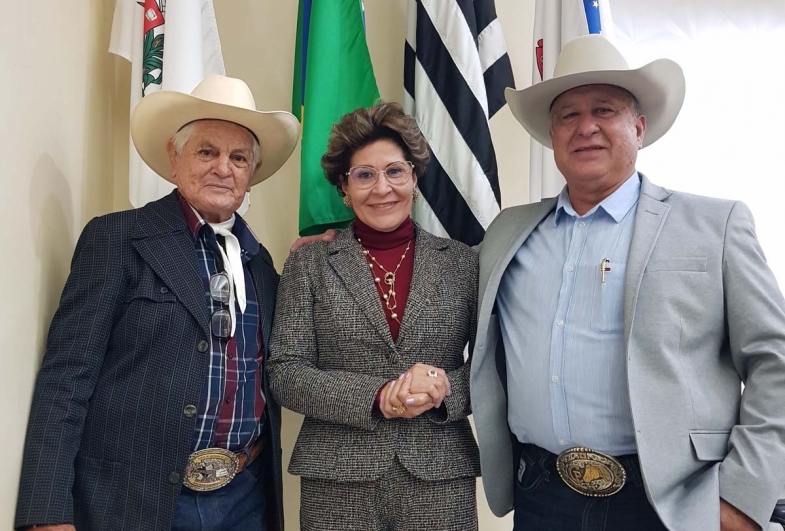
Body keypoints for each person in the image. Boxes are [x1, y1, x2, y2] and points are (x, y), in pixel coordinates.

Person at [470, 35, 785, 531]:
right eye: (568, 115)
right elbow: (438, 279)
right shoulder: (508, 232)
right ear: (552, 135)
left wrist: (743, 495)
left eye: (604, 110)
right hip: (541, 497)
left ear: (638, 128)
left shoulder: (715, 225)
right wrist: (346, 241)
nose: (586, 127)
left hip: (674, 503)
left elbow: (776, 362)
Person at [14, 75, 299, 531]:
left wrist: (327, 253)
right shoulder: (118, 239)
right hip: (136, 499)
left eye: (238, 157)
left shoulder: (261, 266)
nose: (223, 167)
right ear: (175, 157)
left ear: (251, 174)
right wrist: (46, 512)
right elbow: (67, 376)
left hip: (246, 498)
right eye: (207, 151)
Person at [268, 102, 481, 531]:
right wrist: (377, 395)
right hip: (337, 480)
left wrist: (442, 387)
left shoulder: (463, 264)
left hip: (439, 477)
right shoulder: (308, 264)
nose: (382, 188)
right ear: (344, 189)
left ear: (415, 178)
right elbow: (285, 373)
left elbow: (492, 369)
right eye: (364, 175)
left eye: (395, 171)